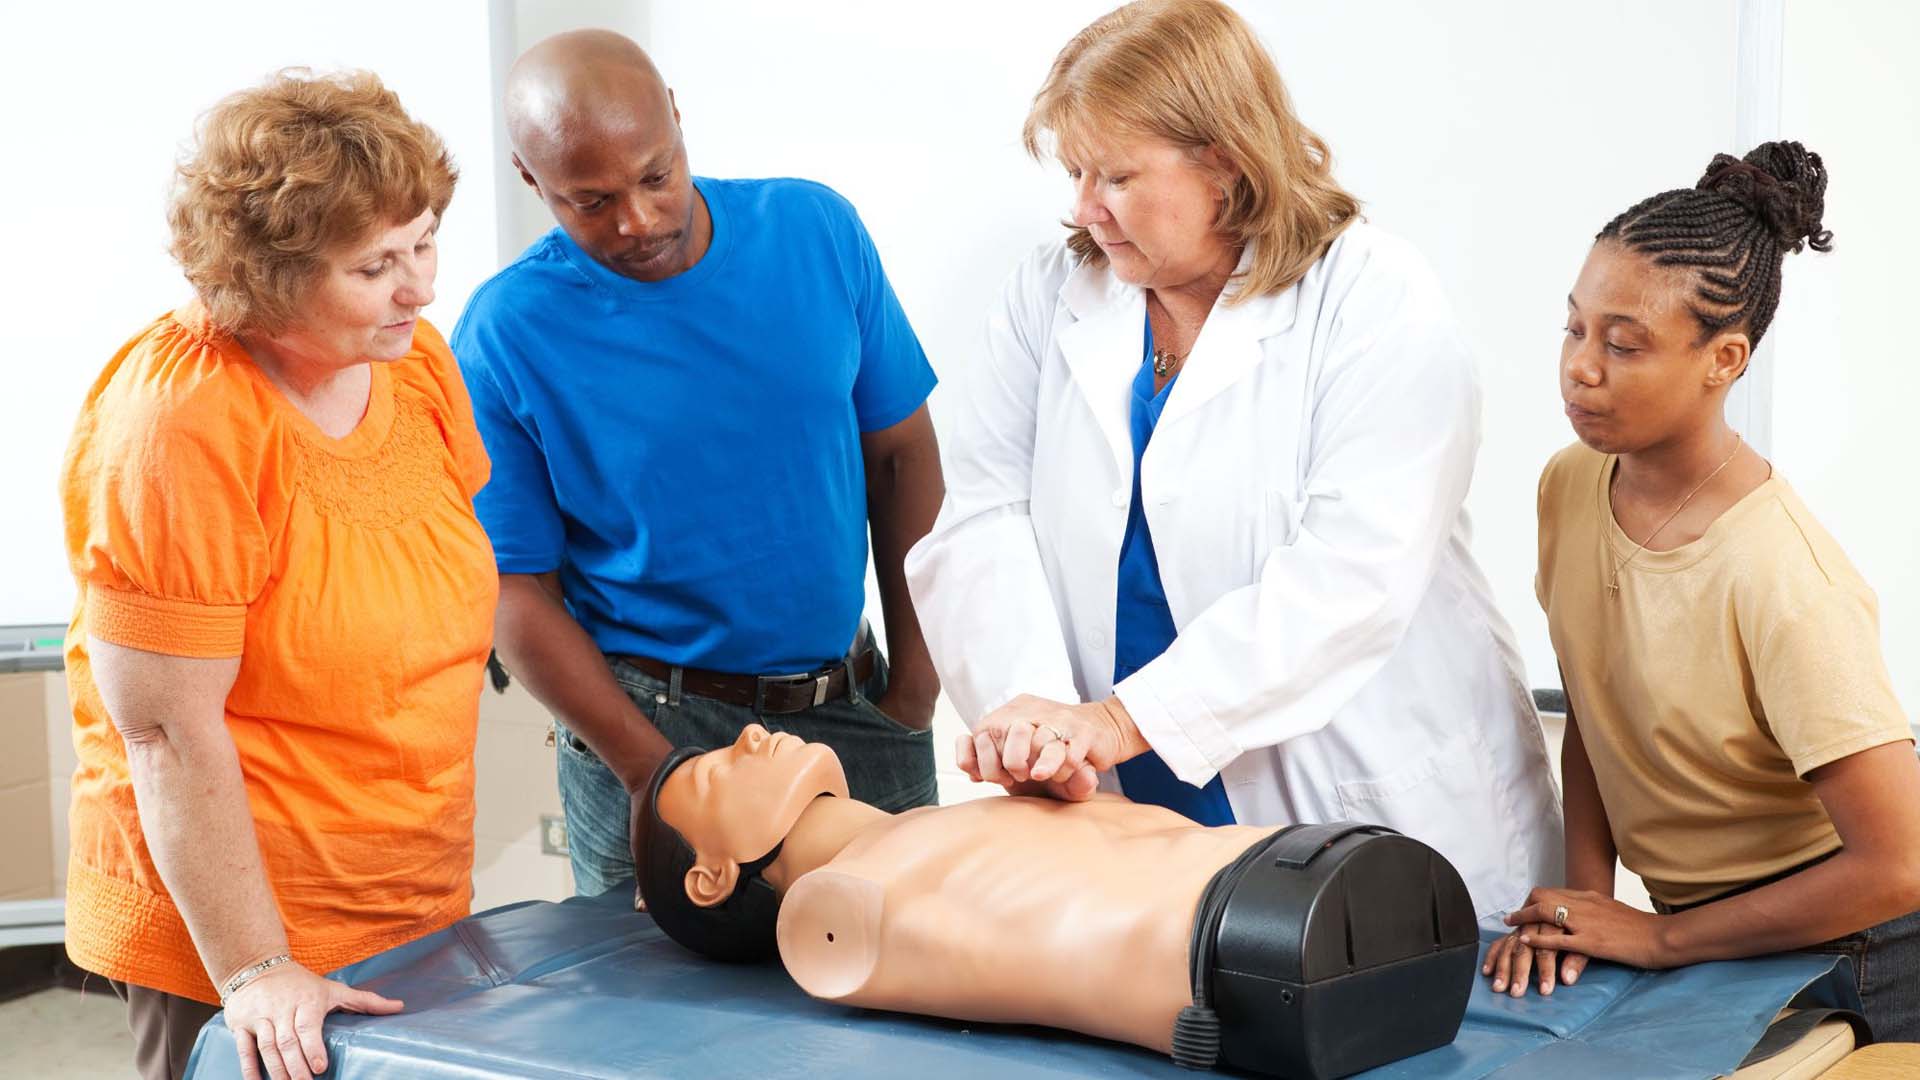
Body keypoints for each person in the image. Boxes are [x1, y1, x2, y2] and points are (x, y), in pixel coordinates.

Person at [903, 0, 1558, 918]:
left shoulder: (1374, 302)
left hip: (1357, 789)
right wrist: (1033, 715)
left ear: (1224, 161)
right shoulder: (1053, 295)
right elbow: (981, 515)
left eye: (1118, 176)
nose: (1087, 209)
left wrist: (1117, 723)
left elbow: (1349, 579)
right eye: (1077, 172)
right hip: (1130, 804)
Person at [60, 72, 495, 1080]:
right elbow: (166, 731)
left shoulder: (414, 361)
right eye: (375, 264)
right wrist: (257, 966)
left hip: (408, 896)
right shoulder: (183, 423)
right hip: (238, 934)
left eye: (424, 242)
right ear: (267, 276)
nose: (420, 287)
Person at [453, 30, 945, 899]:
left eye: (654, 174)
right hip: (650, 728)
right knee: (657, 1027)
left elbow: (902, 457)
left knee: (908, 996)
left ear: (678, 121)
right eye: (590, 201)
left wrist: (915, 686)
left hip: (860, 707)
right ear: (533, 183)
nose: (637, 221)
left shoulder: (815, 231)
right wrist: (651, 772)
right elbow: (514, 590)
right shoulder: (506, 331)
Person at [1480, 141, 1920, 1041]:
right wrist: (1581, 910)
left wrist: (1662, 938)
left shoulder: (1782, 574)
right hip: (1707, 926)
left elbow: (1900, 863)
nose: (1582, 367)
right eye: (1575, 328)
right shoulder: (1571, 483)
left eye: (1625, 344)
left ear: (1725, 358)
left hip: (1864, 938)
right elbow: (1595, 719)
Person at [634, 725, 1477, 1077]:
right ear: (711, 876)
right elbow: (1046, 964)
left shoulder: (913, 836)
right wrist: (1187, 1011)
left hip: (1304, 880)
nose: (747, 735)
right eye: (716, 772)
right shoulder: (829, 920)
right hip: (1261, 949)